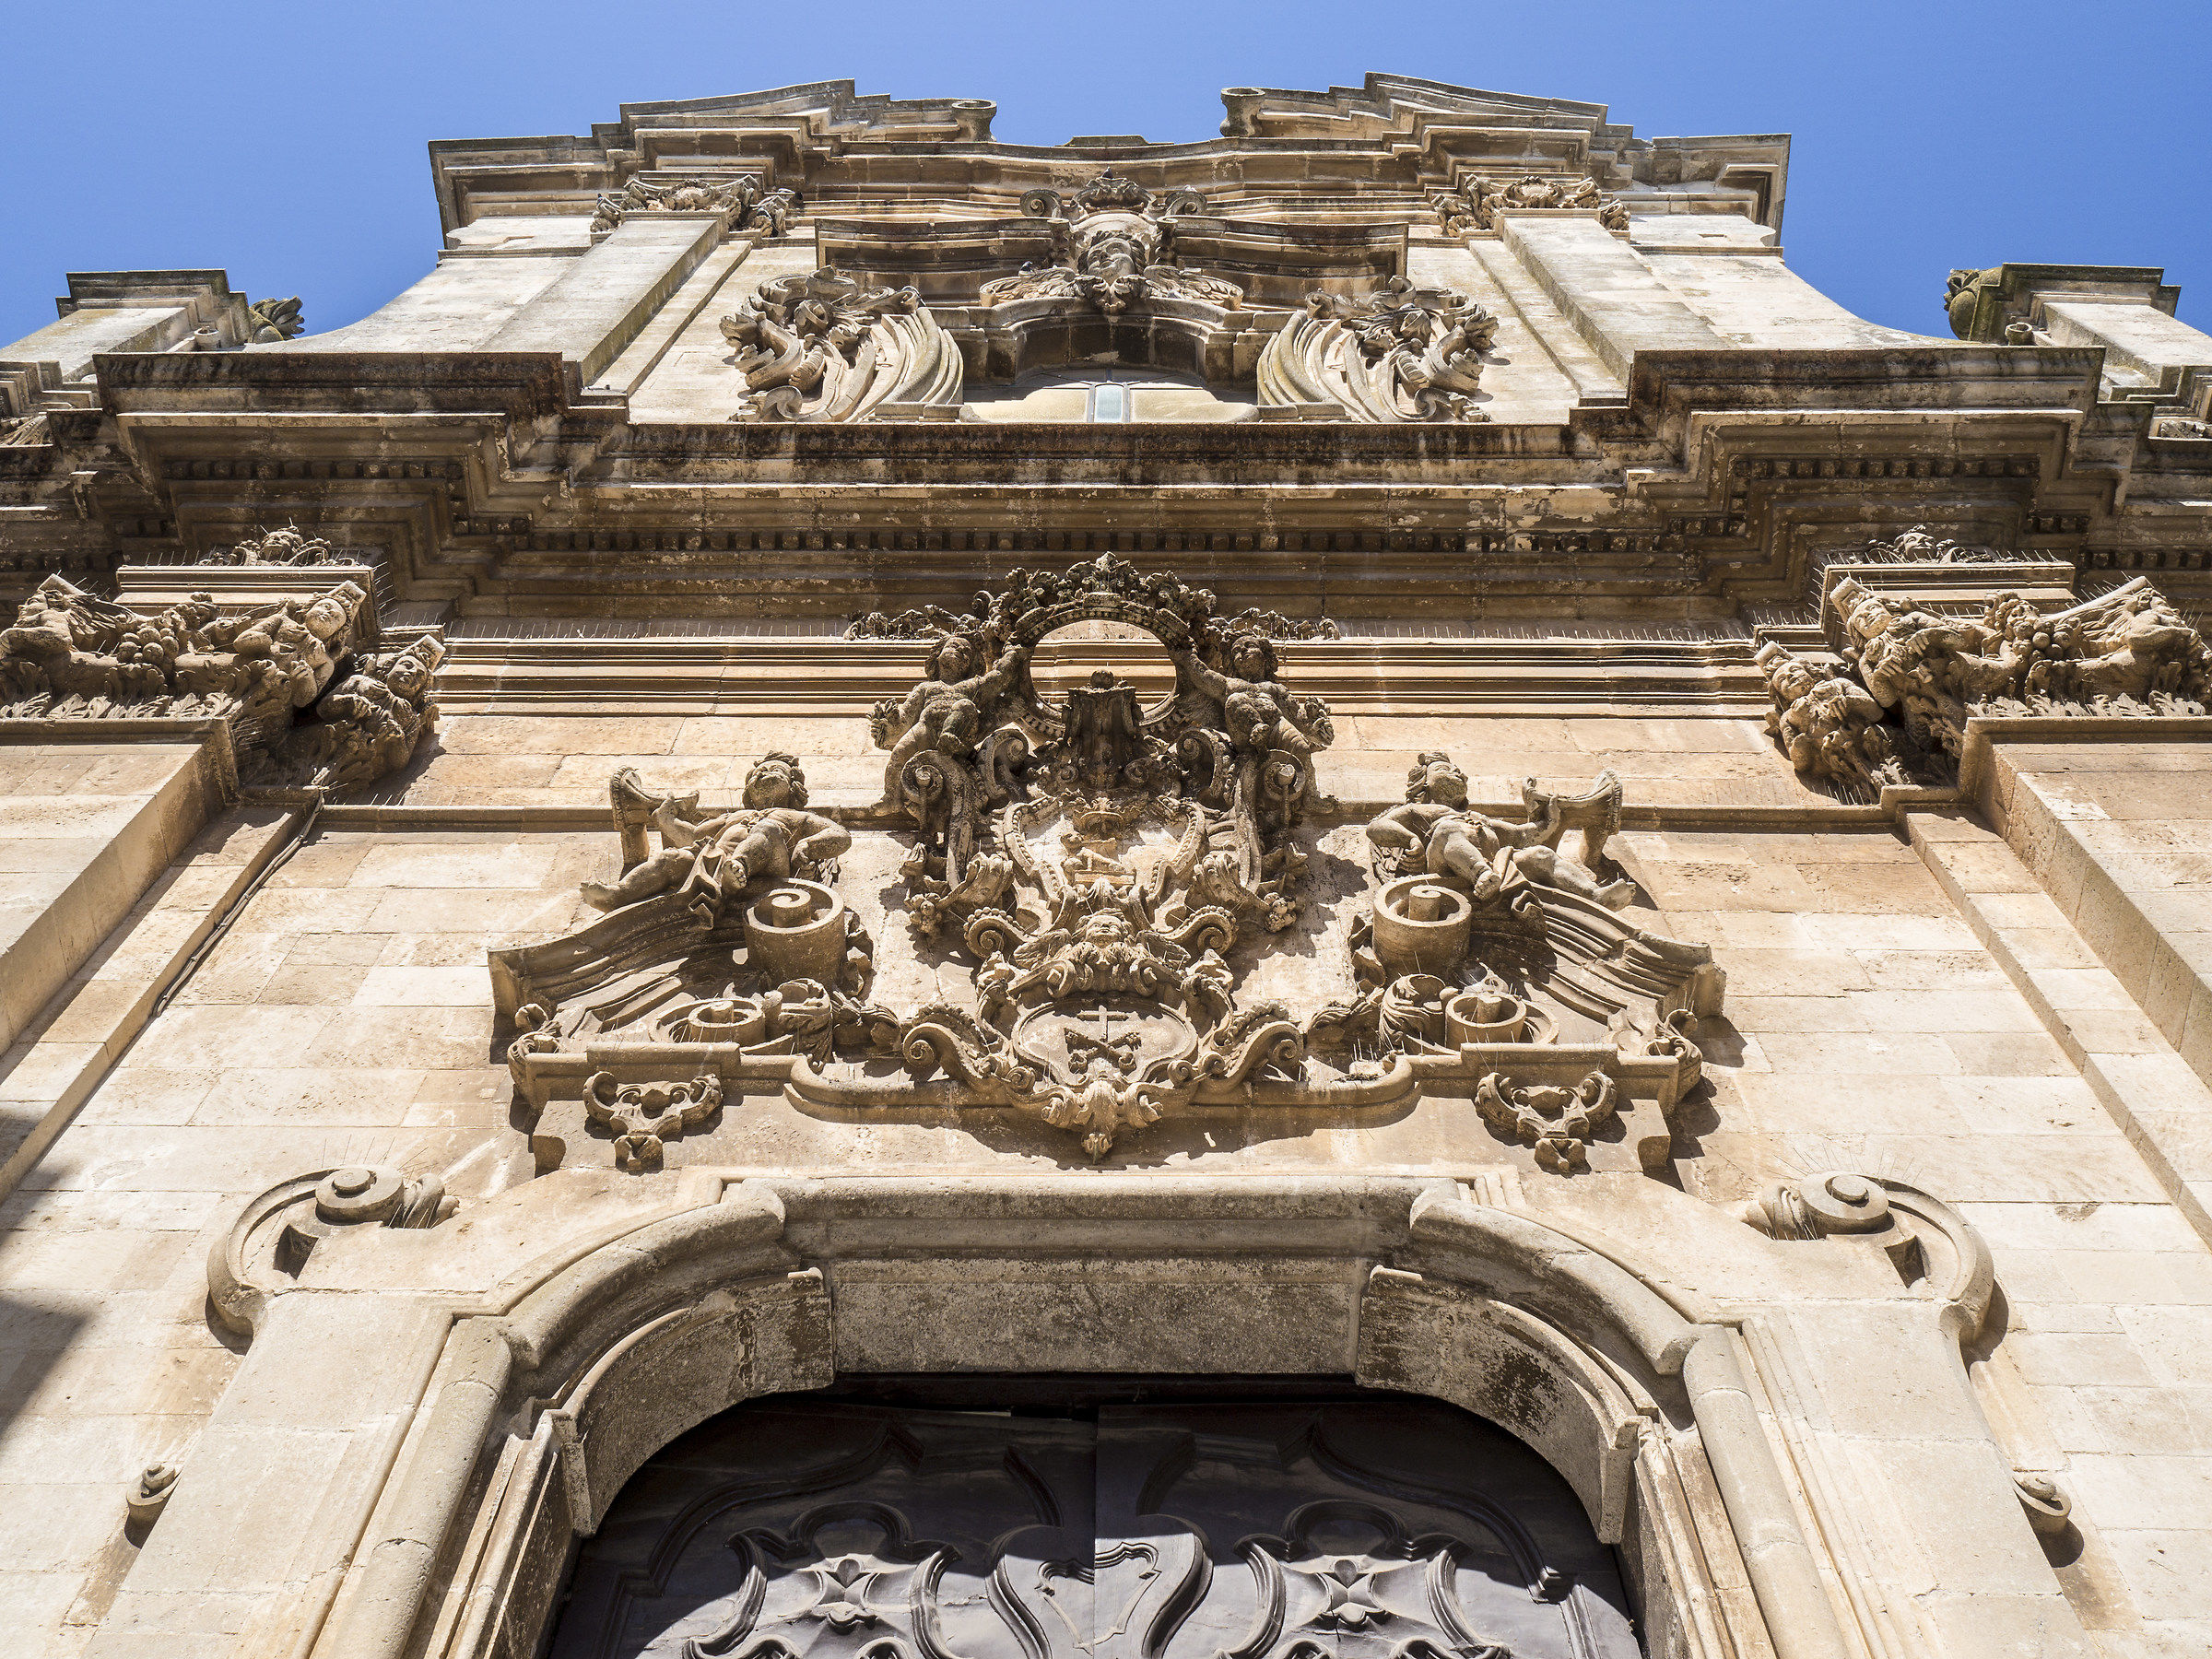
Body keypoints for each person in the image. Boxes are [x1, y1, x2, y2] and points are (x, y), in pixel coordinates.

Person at [582, 753, 851, 912]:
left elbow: (840, 835)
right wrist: (667, 822)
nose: (763, 773)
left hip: (770, 869)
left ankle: (738, 870)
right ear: (748, 794)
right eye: (757, 773)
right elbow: (695, 834)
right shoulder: (733, 816)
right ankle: (618, 893)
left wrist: (808, 846)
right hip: (715, 863)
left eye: (775, 771)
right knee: (672, 859)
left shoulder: (796, 817)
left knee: (766, 829)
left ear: (794, 788)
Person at [1366, 752, 1632, 910]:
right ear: (1421, 786)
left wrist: (1548, 822)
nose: (1457, 772)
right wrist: (1411, 838)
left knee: (1540, 855)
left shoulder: (1473, 817)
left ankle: (1593, 895)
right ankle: (1481, 874)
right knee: (1448, 831)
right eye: (1444, 769)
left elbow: (1519, 836)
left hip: (1497, 866)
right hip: (1443, 869)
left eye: (1458, 770)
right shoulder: (1422, 812)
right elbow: (1376, 827)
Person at [875, 631, 1030, 801]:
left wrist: (1012, 654)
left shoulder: (971, 685)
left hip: (960, 735)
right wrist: (889, 722)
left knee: (964, 705)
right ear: (938, 655)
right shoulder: (925, 687)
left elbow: (999, 678)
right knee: (899, 754)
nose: (959, 652)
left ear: (971, 664)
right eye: (953, 646)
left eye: (966, 653)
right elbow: (904, 718)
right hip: (925, 728)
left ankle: (948, 738)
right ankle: (891, 797)